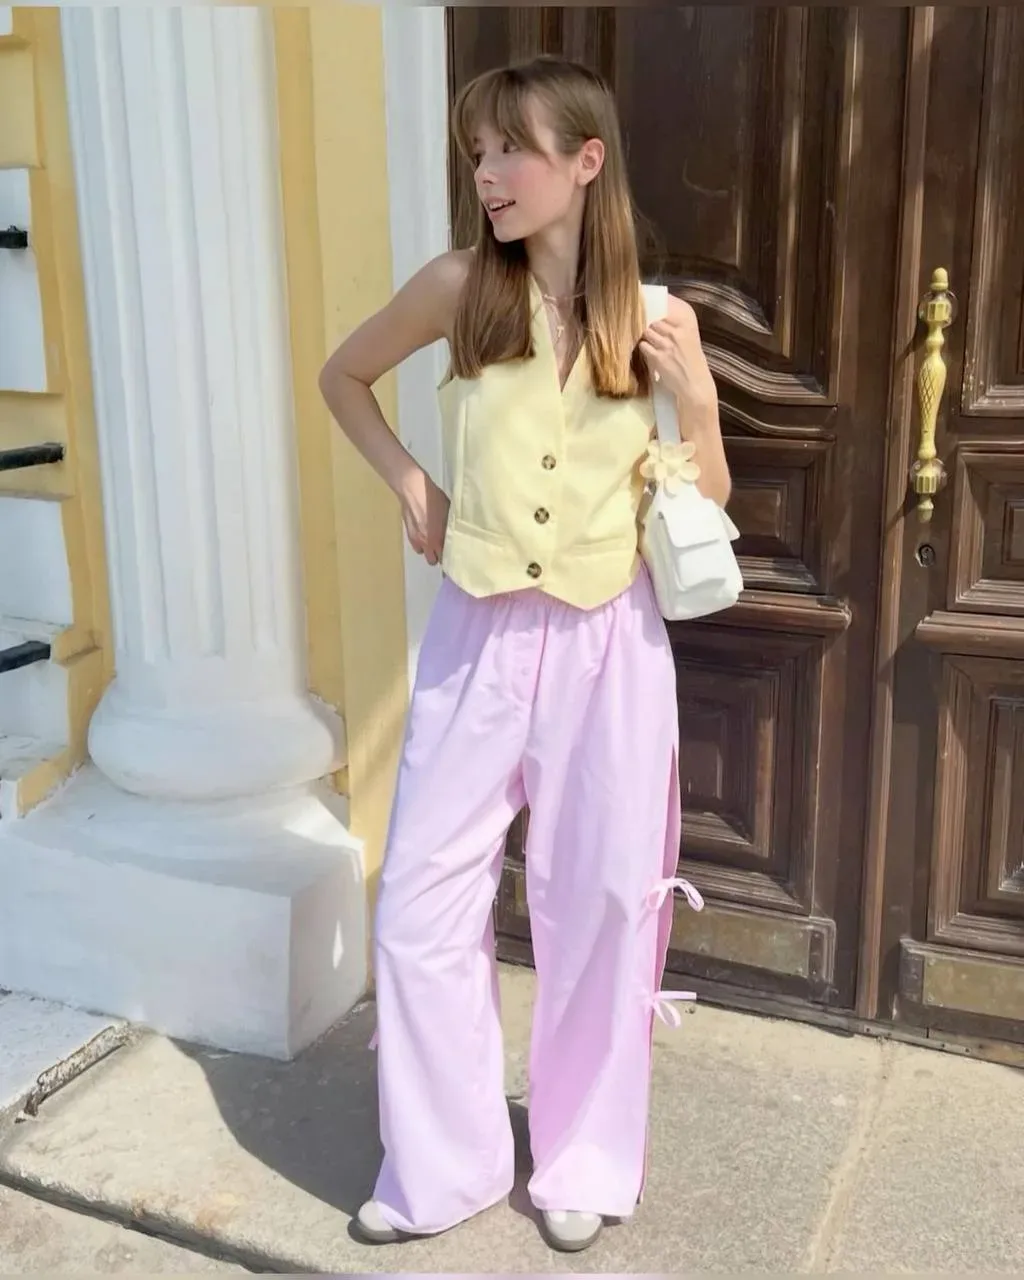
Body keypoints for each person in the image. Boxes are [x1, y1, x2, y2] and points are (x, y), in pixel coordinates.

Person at [318, 55, 731, 1254]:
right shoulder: (459, 288)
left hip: (611, 643)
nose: (489, 173)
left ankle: (584, 1155)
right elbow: (343, 375)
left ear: (586, 161)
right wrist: (410, 481)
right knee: (420, 900)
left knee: (597, 902)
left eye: (513, 148)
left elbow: (706, 497)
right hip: (478, 633)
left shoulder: (657, 318)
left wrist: (700, 398)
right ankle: (440, 1162)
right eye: (478, 152)